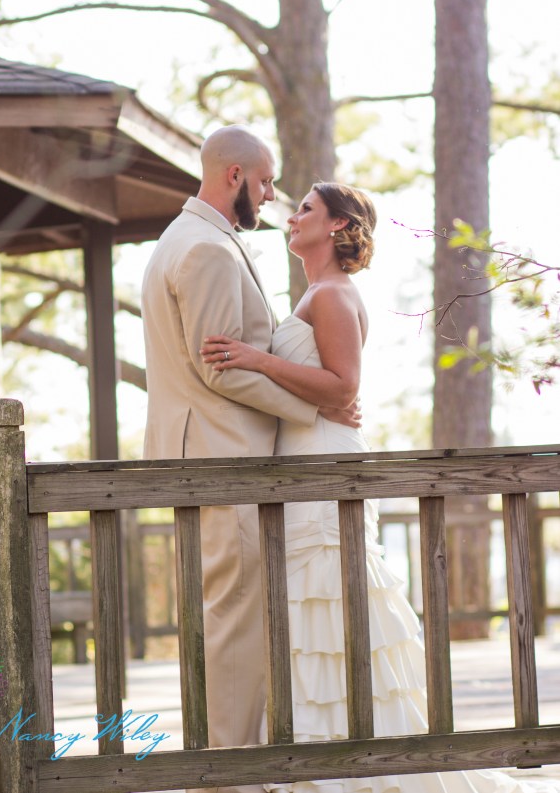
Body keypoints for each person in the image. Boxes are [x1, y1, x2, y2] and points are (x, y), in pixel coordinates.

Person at [201, 181, 560, 793]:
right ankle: (322, 753)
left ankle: (344, 761)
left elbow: (342, 388)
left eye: (307, 210)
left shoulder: (335, 294)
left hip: (324, 462)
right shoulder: (317, 293)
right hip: (308, 454)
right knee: (318, 605)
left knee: (329, 596)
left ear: (339, 226)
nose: (292, 217)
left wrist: (256, 359)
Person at [141, 129, 358, 793]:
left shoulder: (186, 238)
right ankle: (227, 776)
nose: (270, 196)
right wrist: (310, 412)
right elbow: (219, 371)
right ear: (234, 174)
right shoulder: (205, 247)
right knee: (234, 623)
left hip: (205, 453)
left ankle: (221, 762)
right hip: (220, 454)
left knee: (224, 618)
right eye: (264, 182)